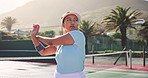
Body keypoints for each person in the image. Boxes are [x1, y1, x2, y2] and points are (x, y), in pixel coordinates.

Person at [31, 12, 86, 78]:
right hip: (59, 75)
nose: (73, 22)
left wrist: (38, 37)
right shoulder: (59, 43)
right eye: (69, 20)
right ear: (63, 25)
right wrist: (33, 36)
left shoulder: (78, 34)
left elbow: (51, 42)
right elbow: (43, 51)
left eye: (75, 20)